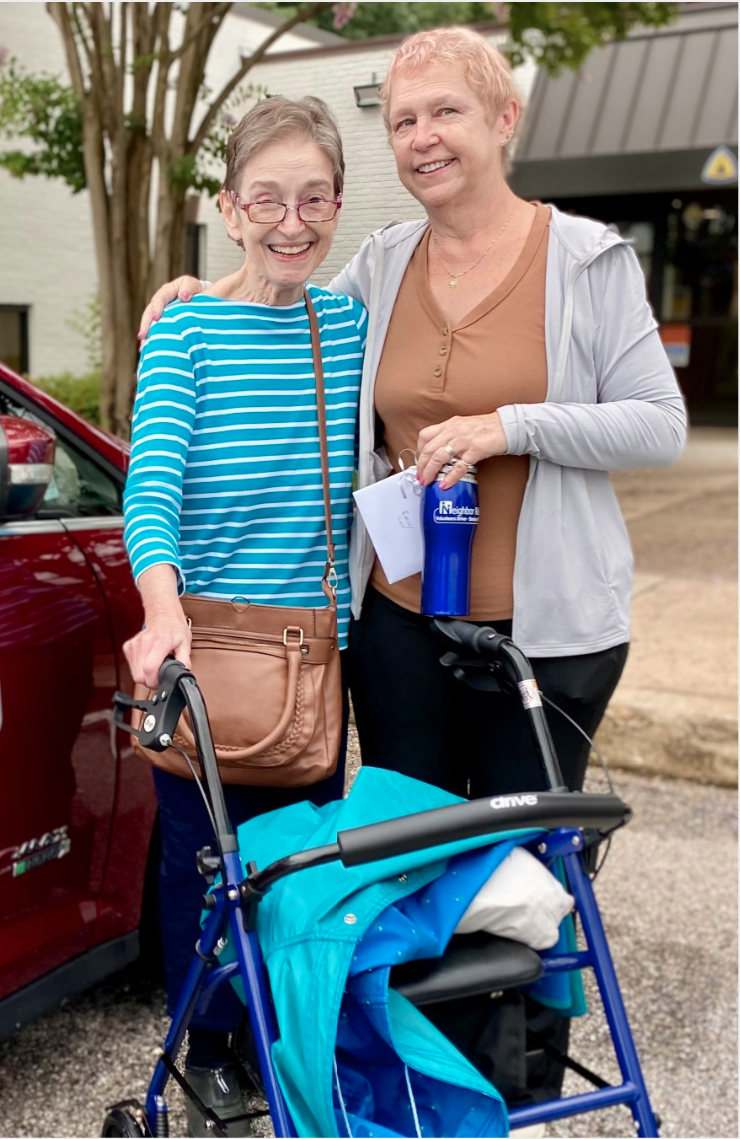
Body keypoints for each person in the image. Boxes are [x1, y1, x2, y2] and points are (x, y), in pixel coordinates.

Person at [139, 26, 686, 1113]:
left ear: (501, 120)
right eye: (400, 119)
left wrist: (507, 425)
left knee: (528, 858)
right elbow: (273, 288)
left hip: (549, 627)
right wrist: (193, 289)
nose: (422, 136)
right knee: (405, 851)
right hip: (398, 620)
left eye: (443, 111)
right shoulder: (380, 265)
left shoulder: (583, 258)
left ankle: (509, 1082)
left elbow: (655, 425)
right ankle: (409, 1068)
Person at [122, 95, 366, 1136]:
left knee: (296, 858)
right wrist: (157, 608)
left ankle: (283, 1028)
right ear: (227, 207)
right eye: (264, 197)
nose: (290, 220)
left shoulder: (347, 321)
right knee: (203, 865)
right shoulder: (182, 326)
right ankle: (210, 1042)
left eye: (312, 197)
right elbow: (153, 487)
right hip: (208, 651)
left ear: (337, 205)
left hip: (313, 653)